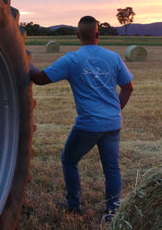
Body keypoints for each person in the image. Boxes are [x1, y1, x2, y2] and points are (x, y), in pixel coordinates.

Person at [30, 16, 133, 216]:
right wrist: (116, 110)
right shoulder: (113, 57)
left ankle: (74, 205)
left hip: (88, 124)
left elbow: (40, 79)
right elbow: (128, 88)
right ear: (98, 34)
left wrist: (24, 62)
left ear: (77, 35)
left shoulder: (72, 59)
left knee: (69, 160)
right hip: (113, 123)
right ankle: (113, 212)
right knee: (112, 168)